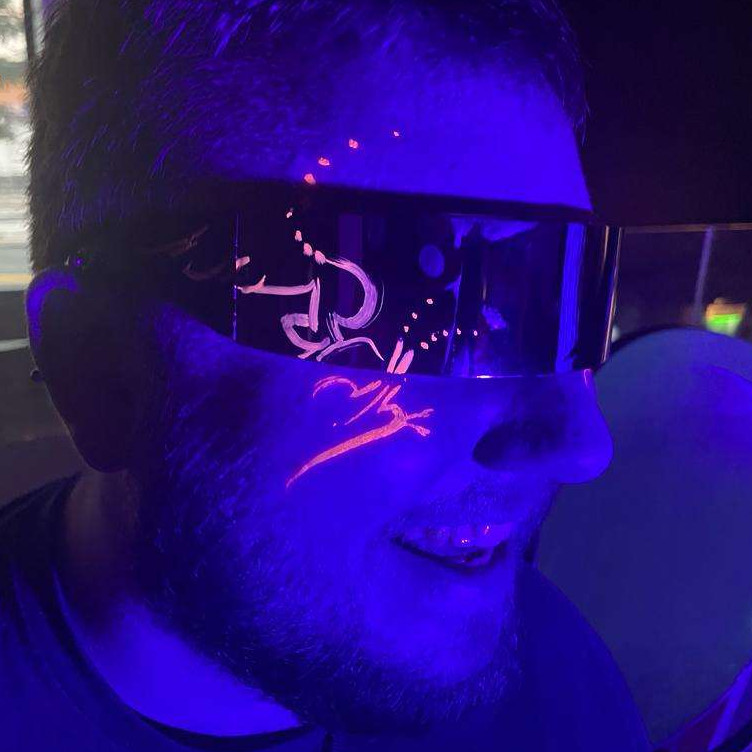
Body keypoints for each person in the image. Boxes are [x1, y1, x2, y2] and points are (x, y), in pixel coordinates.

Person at [0, 1, 650, 750]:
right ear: (98, 365)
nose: (582, 444)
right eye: (419, 307)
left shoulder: (557, 685)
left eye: (562, 305)